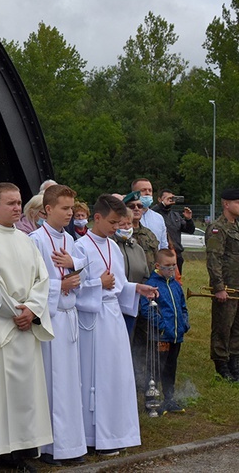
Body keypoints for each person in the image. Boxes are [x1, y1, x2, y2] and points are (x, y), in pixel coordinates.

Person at [0, 182, 53, 470]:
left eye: (19, 202)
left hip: (26, 326)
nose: (18, 208)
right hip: (2, 328)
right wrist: (15, 312)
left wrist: (32, 309)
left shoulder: (26, 239)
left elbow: (42, 280)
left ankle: (24, 450)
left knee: (27, 396)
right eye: (11, 203)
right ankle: (0, 451)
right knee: (1, 397)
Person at [74, 194, 157, 456]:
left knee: (116, 376)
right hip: (92, 319)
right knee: (95, 378)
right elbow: (73, 290)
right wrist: (98, 284)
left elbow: (118, 285)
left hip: (113, 320)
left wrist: (136, 288)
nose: (115, 227)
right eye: (112, 222)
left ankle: (116, 432)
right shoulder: (80, 247)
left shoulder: (112, 246)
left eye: (119, 223)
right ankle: (94, 435)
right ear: (96, 217)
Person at [28, 184, 87, 466]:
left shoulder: (71, 240)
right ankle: (52, 448)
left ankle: (73, 444)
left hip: (69, 316)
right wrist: (59, 285)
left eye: (72, 209)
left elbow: (83, 272)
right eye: (64, 208)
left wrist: (74, 266)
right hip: (51, 319)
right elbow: (31, 282)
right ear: (48, 209)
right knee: (54, 384)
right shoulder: (35, 240)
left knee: (70, 384)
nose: (70, 214)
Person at [139, 249, 190, 413]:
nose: (171, 269)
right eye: (167, 266)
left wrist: (184, 323)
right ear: (158, 266)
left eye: (174, 265)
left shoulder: (175, 285)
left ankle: (169, 398)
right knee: (155, 369)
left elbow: (182, 306)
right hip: (160, 337)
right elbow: (147, 309)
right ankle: (151, 401)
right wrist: (162, 326)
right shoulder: (152, 285)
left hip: (176, 336)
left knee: (170, 367)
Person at [205, 188, 239, 381]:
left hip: (238, 285)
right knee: (223, 326)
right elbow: (213, 259)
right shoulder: (218, 228)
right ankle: (221, 363)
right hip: (226, 286)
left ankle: (234, 360)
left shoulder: (237, 226)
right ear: (227, 204)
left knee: (237, 327)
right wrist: (218, 287)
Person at [112, 208, 150, 339]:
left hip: (134, 304)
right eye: (122, 224)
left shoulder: (137, 248)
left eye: (129, 224)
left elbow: (145, 273)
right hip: (114, 305)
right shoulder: (111, 246)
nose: (127, 227)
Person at [152, 189, 195, 273]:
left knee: (176, 282)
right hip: (161, 254)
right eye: (166, 198)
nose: (169, 200)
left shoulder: (175, 215)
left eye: (171, 198)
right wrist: (163, 204)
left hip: (176, 255)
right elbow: (150, 212)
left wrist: (189, 219)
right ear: (160, 199)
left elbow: (190, 230)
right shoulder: (155, 214)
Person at [124, 191, 159, 273]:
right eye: (132, 206)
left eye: (139, 206)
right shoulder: (121, 233)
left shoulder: (149, 234)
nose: (136, 209)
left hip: (149, 281)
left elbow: (157, 259)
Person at [131, 178, 168, 250]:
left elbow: (163, 245)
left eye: (150, 190)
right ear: (134, 193)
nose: (147, 193)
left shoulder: (159, 218)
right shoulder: (126, 217)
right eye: (143, 190)